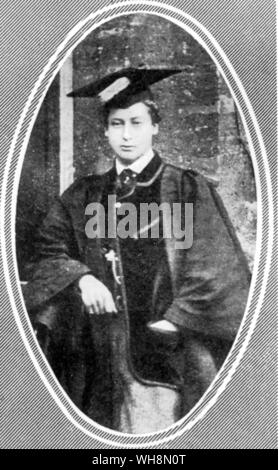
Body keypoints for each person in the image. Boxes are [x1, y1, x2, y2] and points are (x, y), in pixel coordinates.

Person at [23, 67, 251, 433]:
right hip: (99, 352)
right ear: (105, 131)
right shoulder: (85, 195)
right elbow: (48, 249)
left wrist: (177, 318)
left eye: (136, 122)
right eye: (116, 124)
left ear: (155, 126)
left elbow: (216, 264)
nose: (126, 135)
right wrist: (81, 279)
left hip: (165, 352)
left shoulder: (185, 188)